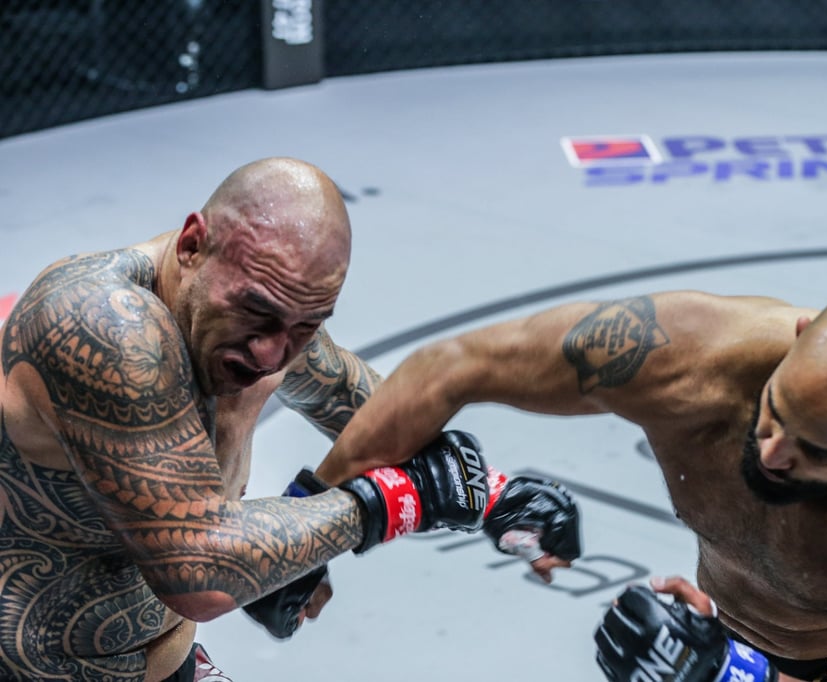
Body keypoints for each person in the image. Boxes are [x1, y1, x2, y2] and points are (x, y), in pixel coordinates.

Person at [0, 157, 580, 681]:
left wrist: (493, 494)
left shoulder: (271, 318)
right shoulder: (102, 325)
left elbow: (369, 412)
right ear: (193, 246)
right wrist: (392, 501)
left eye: (305, 325)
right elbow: (201, 573)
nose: (272, 354)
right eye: (257, 312)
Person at [315, 288, 827, 681]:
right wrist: (312, 521)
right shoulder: (686, 353)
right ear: (800, 336)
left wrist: (735, 677)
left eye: (817, 451)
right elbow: (452, 365)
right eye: (776, 411)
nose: (773, 452)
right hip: (722, 621)